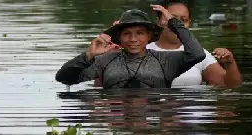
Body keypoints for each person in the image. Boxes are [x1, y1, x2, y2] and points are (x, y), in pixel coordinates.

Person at [55, 5, 206, 89]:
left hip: (153, 117)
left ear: (149, 36)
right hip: (118, 116)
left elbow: (197, 55)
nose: (133, 39)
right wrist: (87, 55)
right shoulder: (104, 61)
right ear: (119, 38)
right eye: (127, 33)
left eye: (139, 33)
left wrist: (174, 22)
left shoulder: (165, 60)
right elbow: (64, 79)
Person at [147, 0, 243, 88]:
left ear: (189, 23)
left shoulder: (198, 53)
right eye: (172, 19)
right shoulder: (143, 52)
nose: (177, 24)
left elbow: (230, 86)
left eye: (183, 20)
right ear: (158, 21)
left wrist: (230, 63)